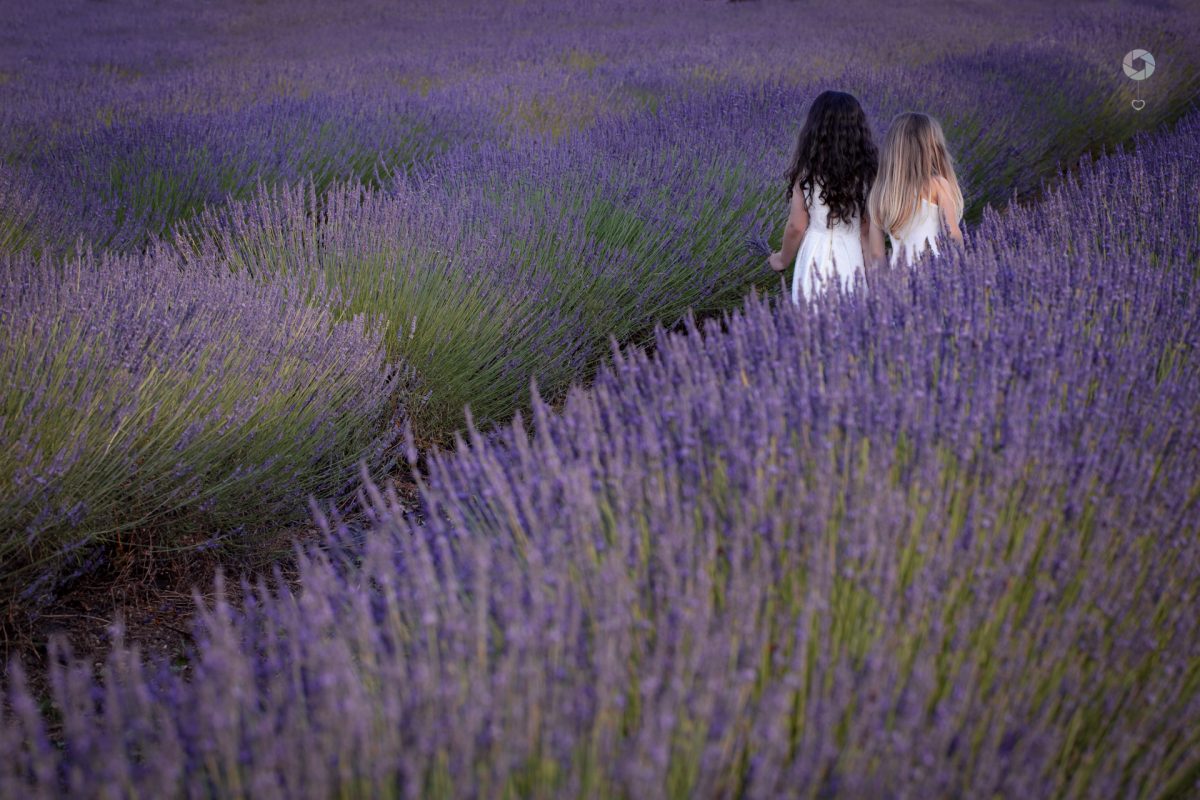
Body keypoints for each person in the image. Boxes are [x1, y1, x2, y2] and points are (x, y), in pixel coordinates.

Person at [768, 90, 885, 304]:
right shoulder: (868, 174)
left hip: (815, 253)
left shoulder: (807, 173)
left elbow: (796, 226)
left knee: (809, 321)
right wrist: (877, 282)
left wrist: (781, 260)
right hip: (851, 255)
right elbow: (866, 231)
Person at [868, 112, 964, 267]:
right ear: (931, 149)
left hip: (898, 277)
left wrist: (884, 284)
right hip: (936, 274)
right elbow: (952, 233)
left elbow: (876, 254)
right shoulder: (937, 185)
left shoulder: (881, 192)